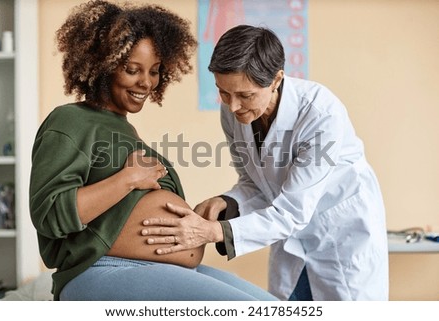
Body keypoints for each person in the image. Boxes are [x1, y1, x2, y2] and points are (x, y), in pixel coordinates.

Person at [29, 2, 278, 301]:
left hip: (155, 267)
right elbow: (50, 213)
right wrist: (128, 180)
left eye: (155, 71)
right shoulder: (70, 120)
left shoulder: (124, 130)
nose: (146, 82)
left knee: (272, 307)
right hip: (103, 269)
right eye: (132, 69)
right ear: (103, 64)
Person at [141, 25, 389, 301]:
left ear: (276, 80)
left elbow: (292, 211)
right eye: (223, 92)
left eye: (245, 95)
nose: (233, 106)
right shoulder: (234, 112)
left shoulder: (321, 115)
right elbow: (255, 181)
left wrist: (213, 232)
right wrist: (227, 201)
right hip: (291, 241)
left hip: (340, 239)